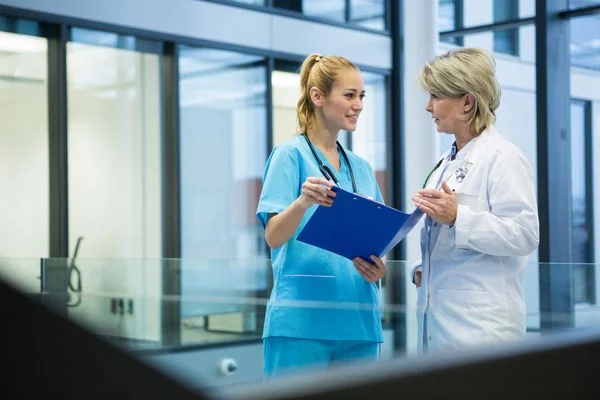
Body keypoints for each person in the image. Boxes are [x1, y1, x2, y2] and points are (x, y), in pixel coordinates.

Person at [256, 53, 387, 377]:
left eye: (361, 96)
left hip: (359, 321)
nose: (358, 104)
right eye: (349, 95)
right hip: (302, 322)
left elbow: (380, 239)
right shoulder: (289, 155)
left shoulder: (361, 167)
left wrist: (377, 267)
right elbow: (273, 236)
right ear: (318, 96)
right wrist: (302, 202)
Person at [410, 48, 539, 353]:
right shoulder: (446, 162)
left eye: (436, 96)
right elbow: (448, 243)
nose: (428, 107)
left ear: (467, 102)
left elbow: (525, 234)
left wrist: (458, 217)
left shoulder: (502, 157)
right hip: (439, 327)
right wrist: (422, 267)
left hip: (482, 331)